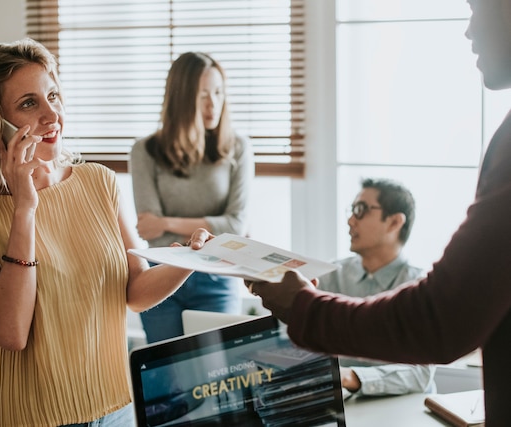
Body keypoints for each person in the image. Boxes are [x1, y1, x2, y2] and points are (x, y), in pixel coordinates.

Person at [244, 0, 511, 424]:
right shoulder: (335, 272)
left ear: (395, 222)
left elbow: (438, 323)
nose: (469, 30)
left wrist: (303, 307)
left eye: (477, 7)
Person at [0, 38, 214, 427]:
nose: (52, 115)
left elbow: (135, 291)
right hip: (29, 419)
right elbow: (11, 332)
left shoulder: (100, 182)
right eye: (29, 103)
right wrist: (25, 208)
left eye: (53, 96)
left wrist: (189, 259)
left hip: (115, 409)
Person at [129, 51, 254, 343]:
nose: (214, 104)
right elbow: (149, 227)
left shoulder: (237, 147)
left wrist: (167, 222)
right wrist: (209, 227)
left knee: (218, 373)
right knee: (167, 378)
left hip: (216, 274)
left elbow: (236, 225)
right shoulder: (145, 151)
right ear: (182, 98)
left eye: (219, 92)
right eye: (202, 96)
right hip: (161, 272)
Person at [319, 178, 434, 396]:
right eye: (352, 210)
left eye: (361, 210)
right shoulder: (328, 277)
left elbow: (420, 373)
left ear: (394, 223)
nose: (350, 221)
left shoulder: (419, 287)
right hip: (342, 410)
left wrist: (350, 377)